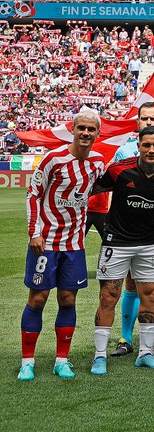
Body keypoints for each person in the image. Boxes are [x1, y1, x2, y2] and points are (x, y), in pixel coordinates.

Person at [19, 110, 106, 381]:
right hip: (45, 243)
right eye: (81, 128)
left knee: (68, 299)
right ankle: (27, 362)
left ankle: (61, 361)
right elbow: (33, 194)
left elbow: (97, 189)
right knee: (38, 298)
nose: (85, 133)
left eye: (91, 129)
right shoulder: (53, 159)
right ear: (73, 129)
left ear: (97, 133)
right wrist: (34, 232)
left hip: (74, 244)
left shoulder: (98, 162)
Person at [90, 126, 154, 374]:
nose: (151, 150)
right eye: (146, 145)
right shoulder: (119, 170)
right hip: (116, 242)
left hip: (149, 244)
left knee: (150, 296)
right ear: (138, 146)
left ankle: (145, 353)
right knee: (108, 296)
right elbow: (92, 189)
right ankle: (99, 356)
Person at [110, 101, 154, 358]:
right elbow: (112, 186)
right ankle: (124, 337)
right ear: (138, 121)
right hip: (125, 232)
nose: (149, 122)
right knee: (128, 285)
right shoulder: (124, 151)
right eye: (145, 118)